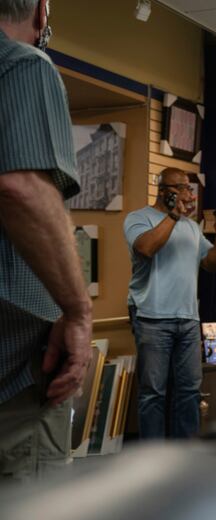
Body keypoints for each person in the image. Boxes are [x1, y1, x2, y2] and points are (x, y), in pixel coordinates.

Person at [0, 0, 93, 481]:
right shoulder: (22, 62)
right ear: (41, 11)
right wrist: (78, 311)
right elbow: (21, 188)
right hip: (15, 375)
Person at [124, 167, 216, 439]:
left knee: (189, 391)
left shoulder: (191, 228)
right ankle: (153, 458)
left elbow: (212, 264)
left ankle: (184, 455)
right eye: (180, 187)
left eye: (188, 188)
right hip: (151, 317)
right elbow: (146, 248)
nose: (187, 193)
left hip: (188, 319)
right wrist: (173, 215)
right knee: (153, 393)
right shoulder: (138, 218)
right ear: (163, 190)